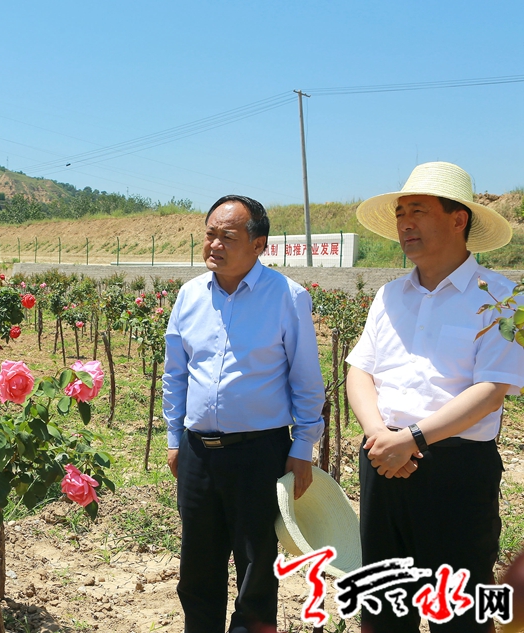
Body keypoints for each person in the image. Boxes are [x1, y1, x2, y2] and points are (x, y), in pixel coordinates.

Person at [346, 161, 524, 632]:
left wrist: (413, 439)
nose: (405, 224)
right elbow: (360, 370)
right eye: (400, 213)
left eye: (418, 211)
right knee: (384, 610)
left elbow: (490, 391)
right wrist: (380, 435)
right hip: (382, 461)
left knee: (460, 614)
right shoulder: (389, 296)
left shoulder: (501, 299)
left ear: (458, 218)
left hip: (455, 470)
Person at [162, 194, 325, 633]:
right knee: (197, 567)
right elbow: (175, 374)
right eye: (210, 234)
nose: (214, 244)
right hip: (198, 452)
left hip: (259, 453)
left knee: (256, 567)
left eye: (227, 237)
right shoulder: (190, 295)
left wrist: (303, 447)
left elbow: (306, 380)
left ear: (258, 245)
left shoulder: (287, 297)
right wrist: (175, 440)